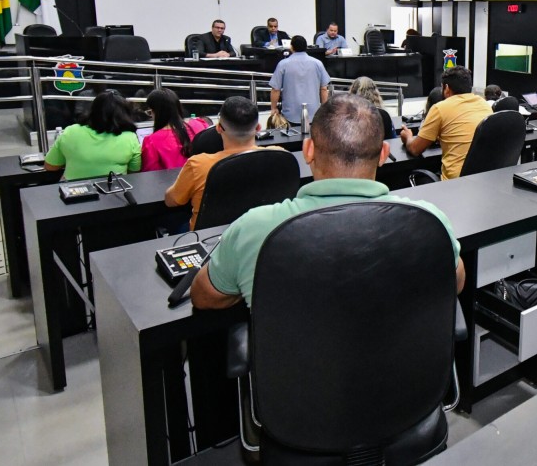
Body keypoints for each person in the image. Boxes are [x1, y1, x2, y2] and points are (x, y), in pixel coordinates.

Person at [191, 94, 464, 309]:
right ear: (384, 154)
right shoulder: (431, 220)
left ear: (308, 150)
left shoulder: (253, 228)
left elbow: (203, 297)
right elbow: (456, 281)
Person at [165, 96, 271, 230]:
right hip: (260, 232)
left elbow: (171, 201)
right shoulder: (279, 155)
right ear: (258, 128)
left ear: (219, 128)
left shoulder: (198, 165)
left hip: (209, 238)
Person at [401, 67, 492, 180]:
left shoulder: (440, 108)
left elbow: (415, 149)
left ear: (447, 88)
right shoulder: (484, 104)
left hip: (455, 182)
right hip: (483, 178)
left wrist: (408, 137)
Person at [44, 91, 141, 180]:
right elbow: (134, 172)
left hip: (75, 191)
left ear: (92, 110)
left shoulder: (70, 131)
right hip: (116, 191)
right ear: (125, 114)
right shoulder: (130, 138)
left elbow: (50, 166)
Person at [140, 88, 211, 172]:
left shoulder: (151, 141)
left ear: (156, 112)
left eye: (150, 112)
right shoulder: (200, 124)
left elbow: (151, 174)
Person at [269, 35, 330, 126]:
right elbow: (324, 88)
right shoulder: (318, 63)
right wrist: (324, 109)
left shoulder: (283, 64)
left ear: (291, 47)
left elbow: (275, 89)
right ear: (306, 47)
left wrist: (273, 108)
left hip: (290, 114)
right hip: (313, 113)